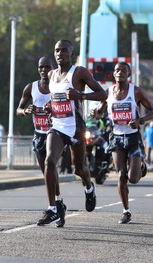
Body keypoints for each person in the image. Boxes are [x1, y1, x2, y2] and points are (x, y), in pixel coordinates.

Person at [38, 40, 107, 226]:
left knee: (79, 169)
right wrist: (49, 106)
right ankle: (53, 208)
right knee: (49, 161)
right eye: (57, 50)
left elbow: (103, 94)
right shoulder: (51, 75)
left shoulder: (79, 72)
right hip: (58, 126)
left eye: (64, 50)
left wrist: (81, 95)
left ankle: (89, 187)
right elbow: (55, 99)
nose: (60, 53)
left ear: (71, 53)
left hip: (76, 129)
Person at [91, 62, 153, 224]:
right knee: (121, 175)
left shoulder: (136, 91)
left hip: (133, 137)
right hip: (116, 137)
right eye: (117, 70)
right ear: (113, 75)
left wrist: (140, 120)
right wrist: (95, 114)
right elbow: (100, 113)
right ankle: (126, 211)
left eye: (124, 70)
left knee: (133, 179)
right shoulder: (107, 93)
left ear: (129, 74)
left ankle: (140, 166)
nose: (120, 72)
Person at [16, 56, 68, 227]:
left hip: (56, 134)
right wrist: (25, 110)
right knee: (48, 172)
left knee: (50, 166)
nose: (44, 70)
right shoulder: (31, 88)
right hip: (39, 134)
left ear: (53, 69)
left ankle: (52, 207)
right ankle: (59, 203)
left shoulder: (57, 86)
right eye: (41, 67)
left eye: (47, 67)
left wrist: (54, 107)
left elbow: (68, 103)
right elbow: (18, 109)